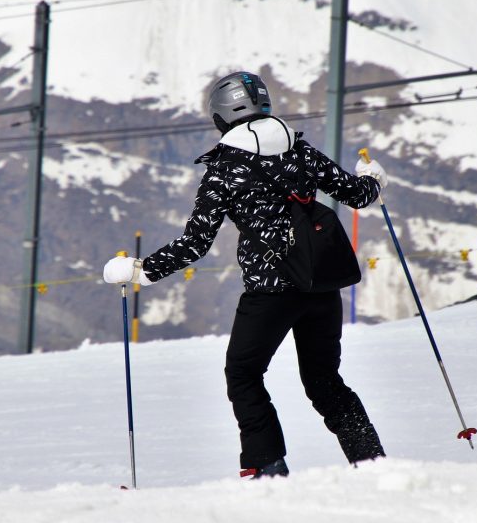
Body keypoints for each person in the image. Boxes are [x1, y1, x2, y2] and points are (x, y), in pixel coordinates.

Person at [103, 70, 388, 478]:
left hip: (270, 293)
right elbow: (357, 195)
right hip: (321, 285)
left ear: (222, 115)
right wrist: (372, 177)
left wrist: (141, 270)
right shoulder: (299, 150)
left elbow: (195, 243)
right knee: (324, 380)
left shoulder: (224, 168)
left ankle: (267, 465)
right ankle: (372, 462)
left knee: (243, 375)